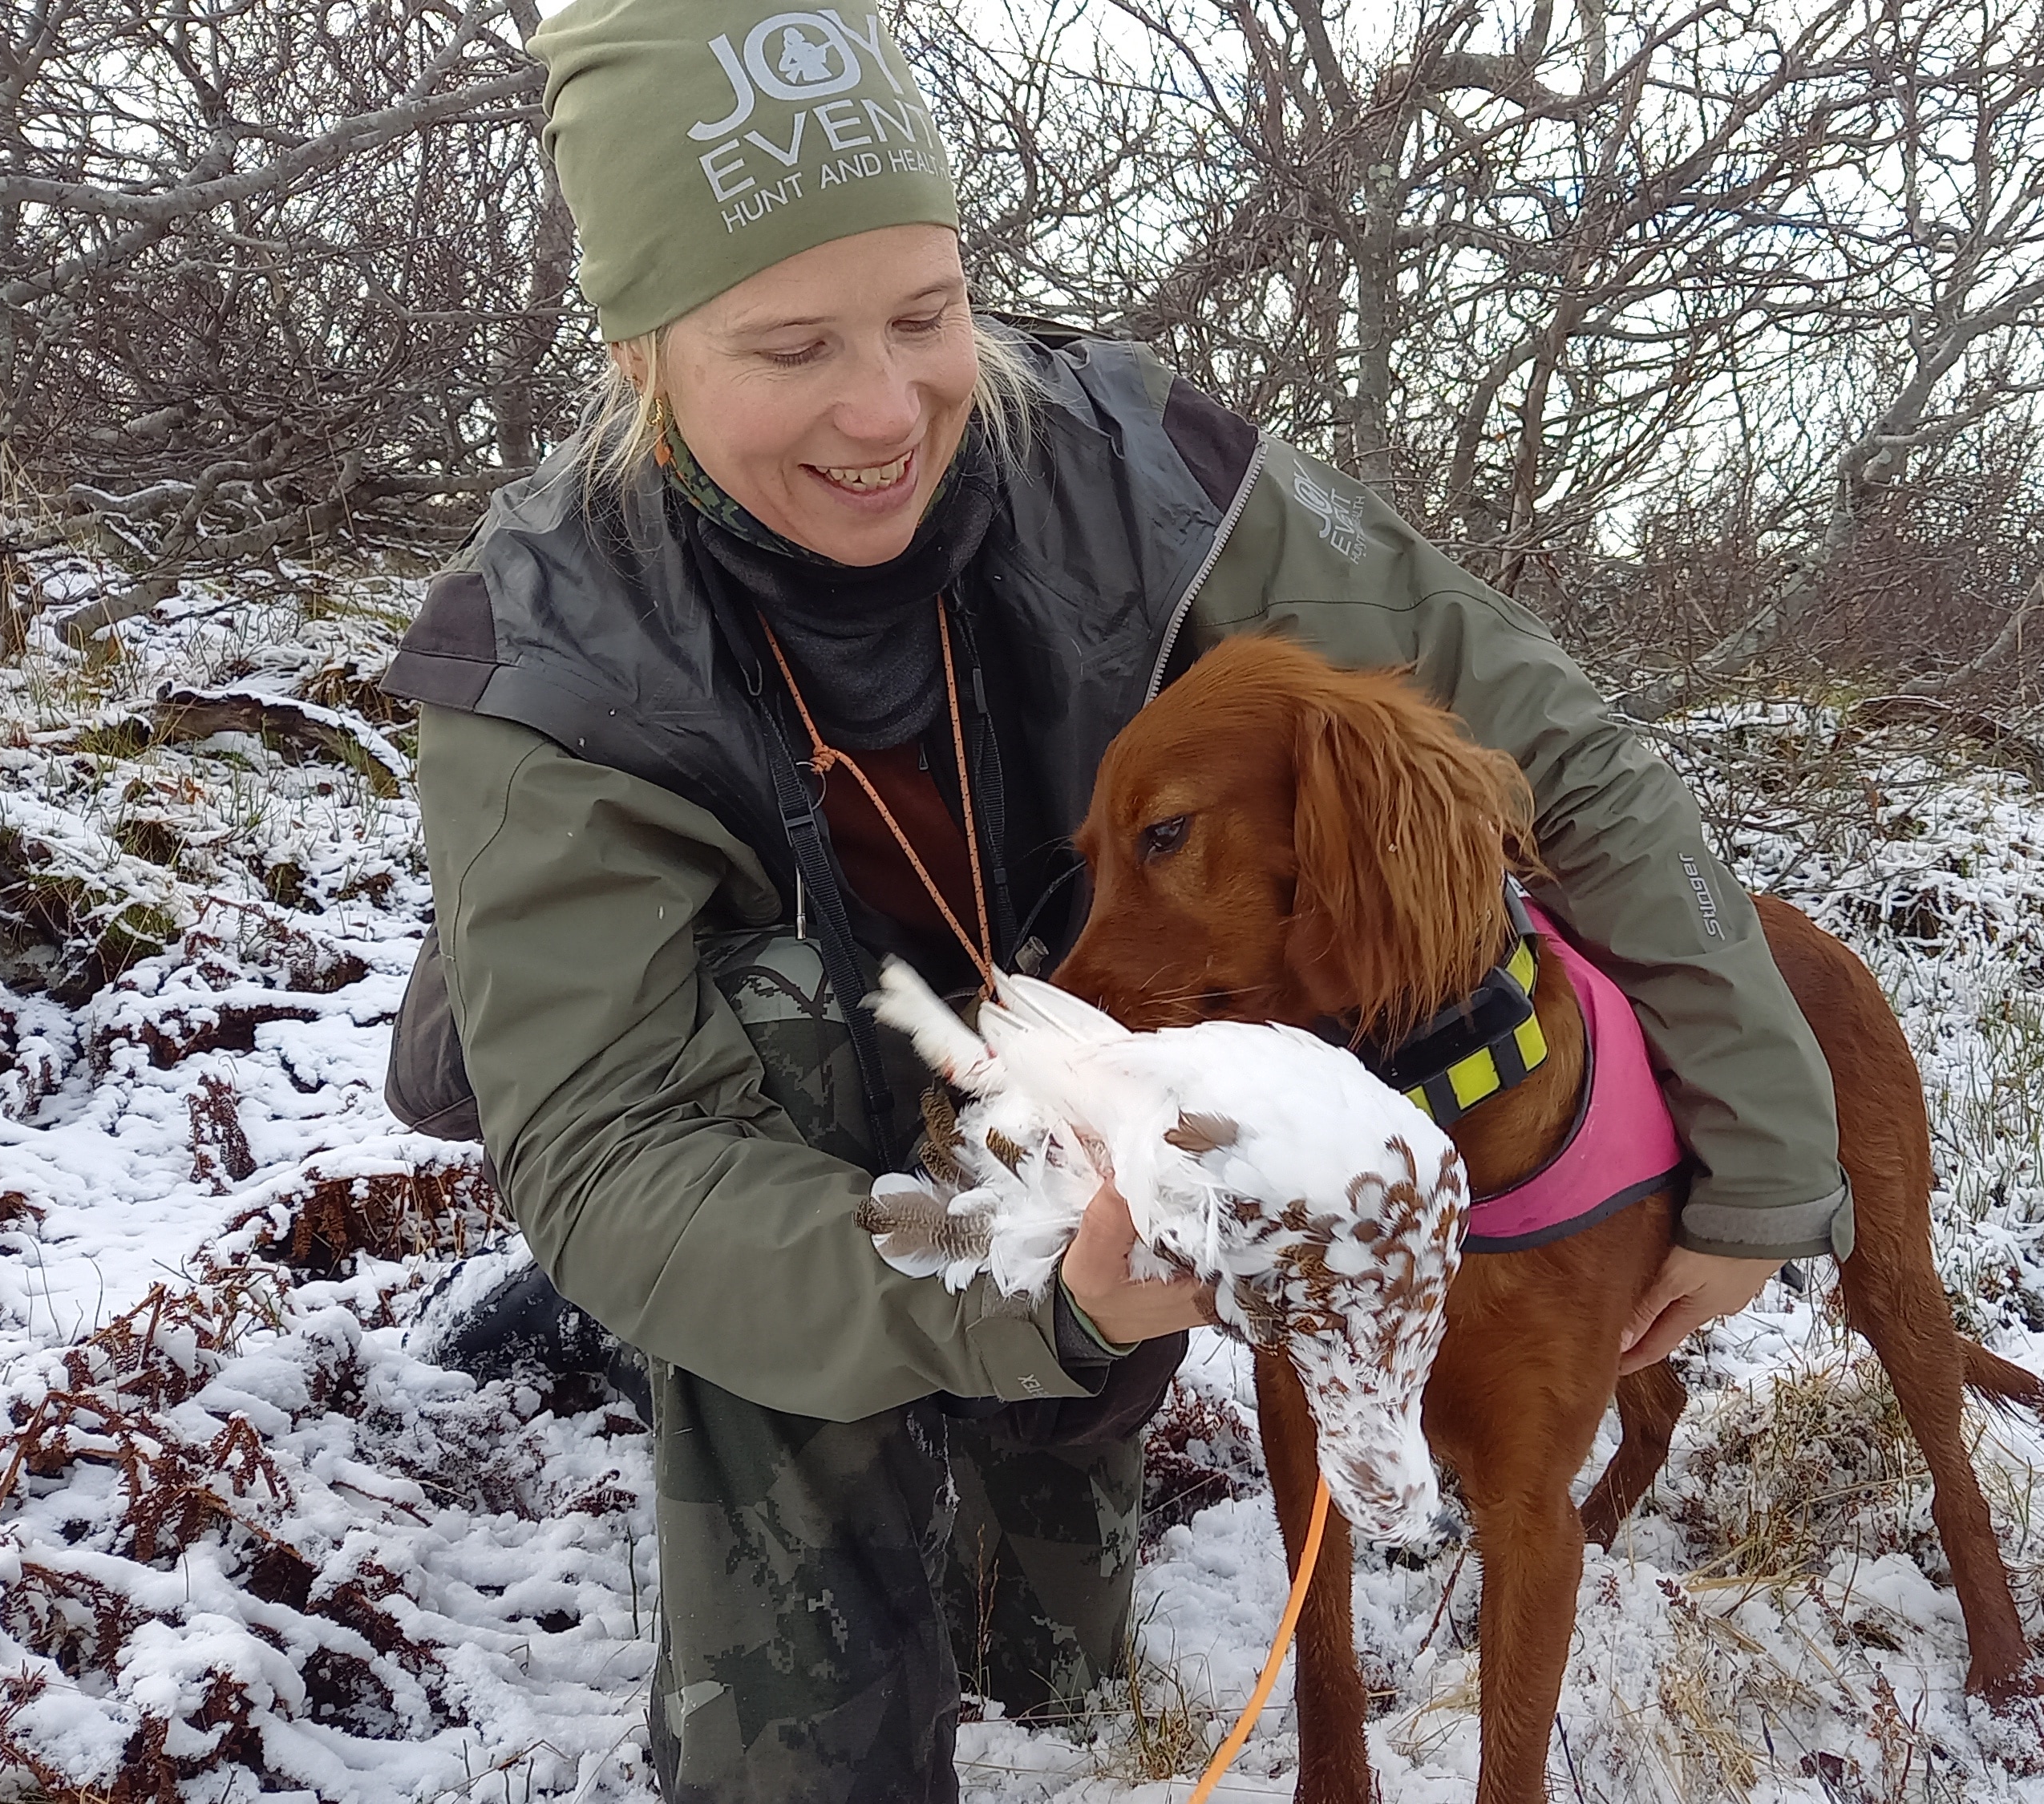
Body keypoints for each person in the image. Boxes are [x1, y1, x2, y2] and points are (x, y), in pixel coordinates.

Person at [379, 1, 1854, 1797]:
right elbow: (612, 1151)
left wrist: (1765, 1149)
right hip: (766, 1121)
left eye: (927, 317)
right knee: (798, 1073)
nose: (884, 409)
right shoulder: (544, 646)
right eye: (788, 345)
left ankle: (1047, 1530)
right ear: (637, 352)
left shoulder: (1136, 469)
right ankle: (805, 1635)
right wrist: (1024, 1302)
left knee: (1053, 1654)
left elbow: (1550, 750)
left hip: (1073, 1017)